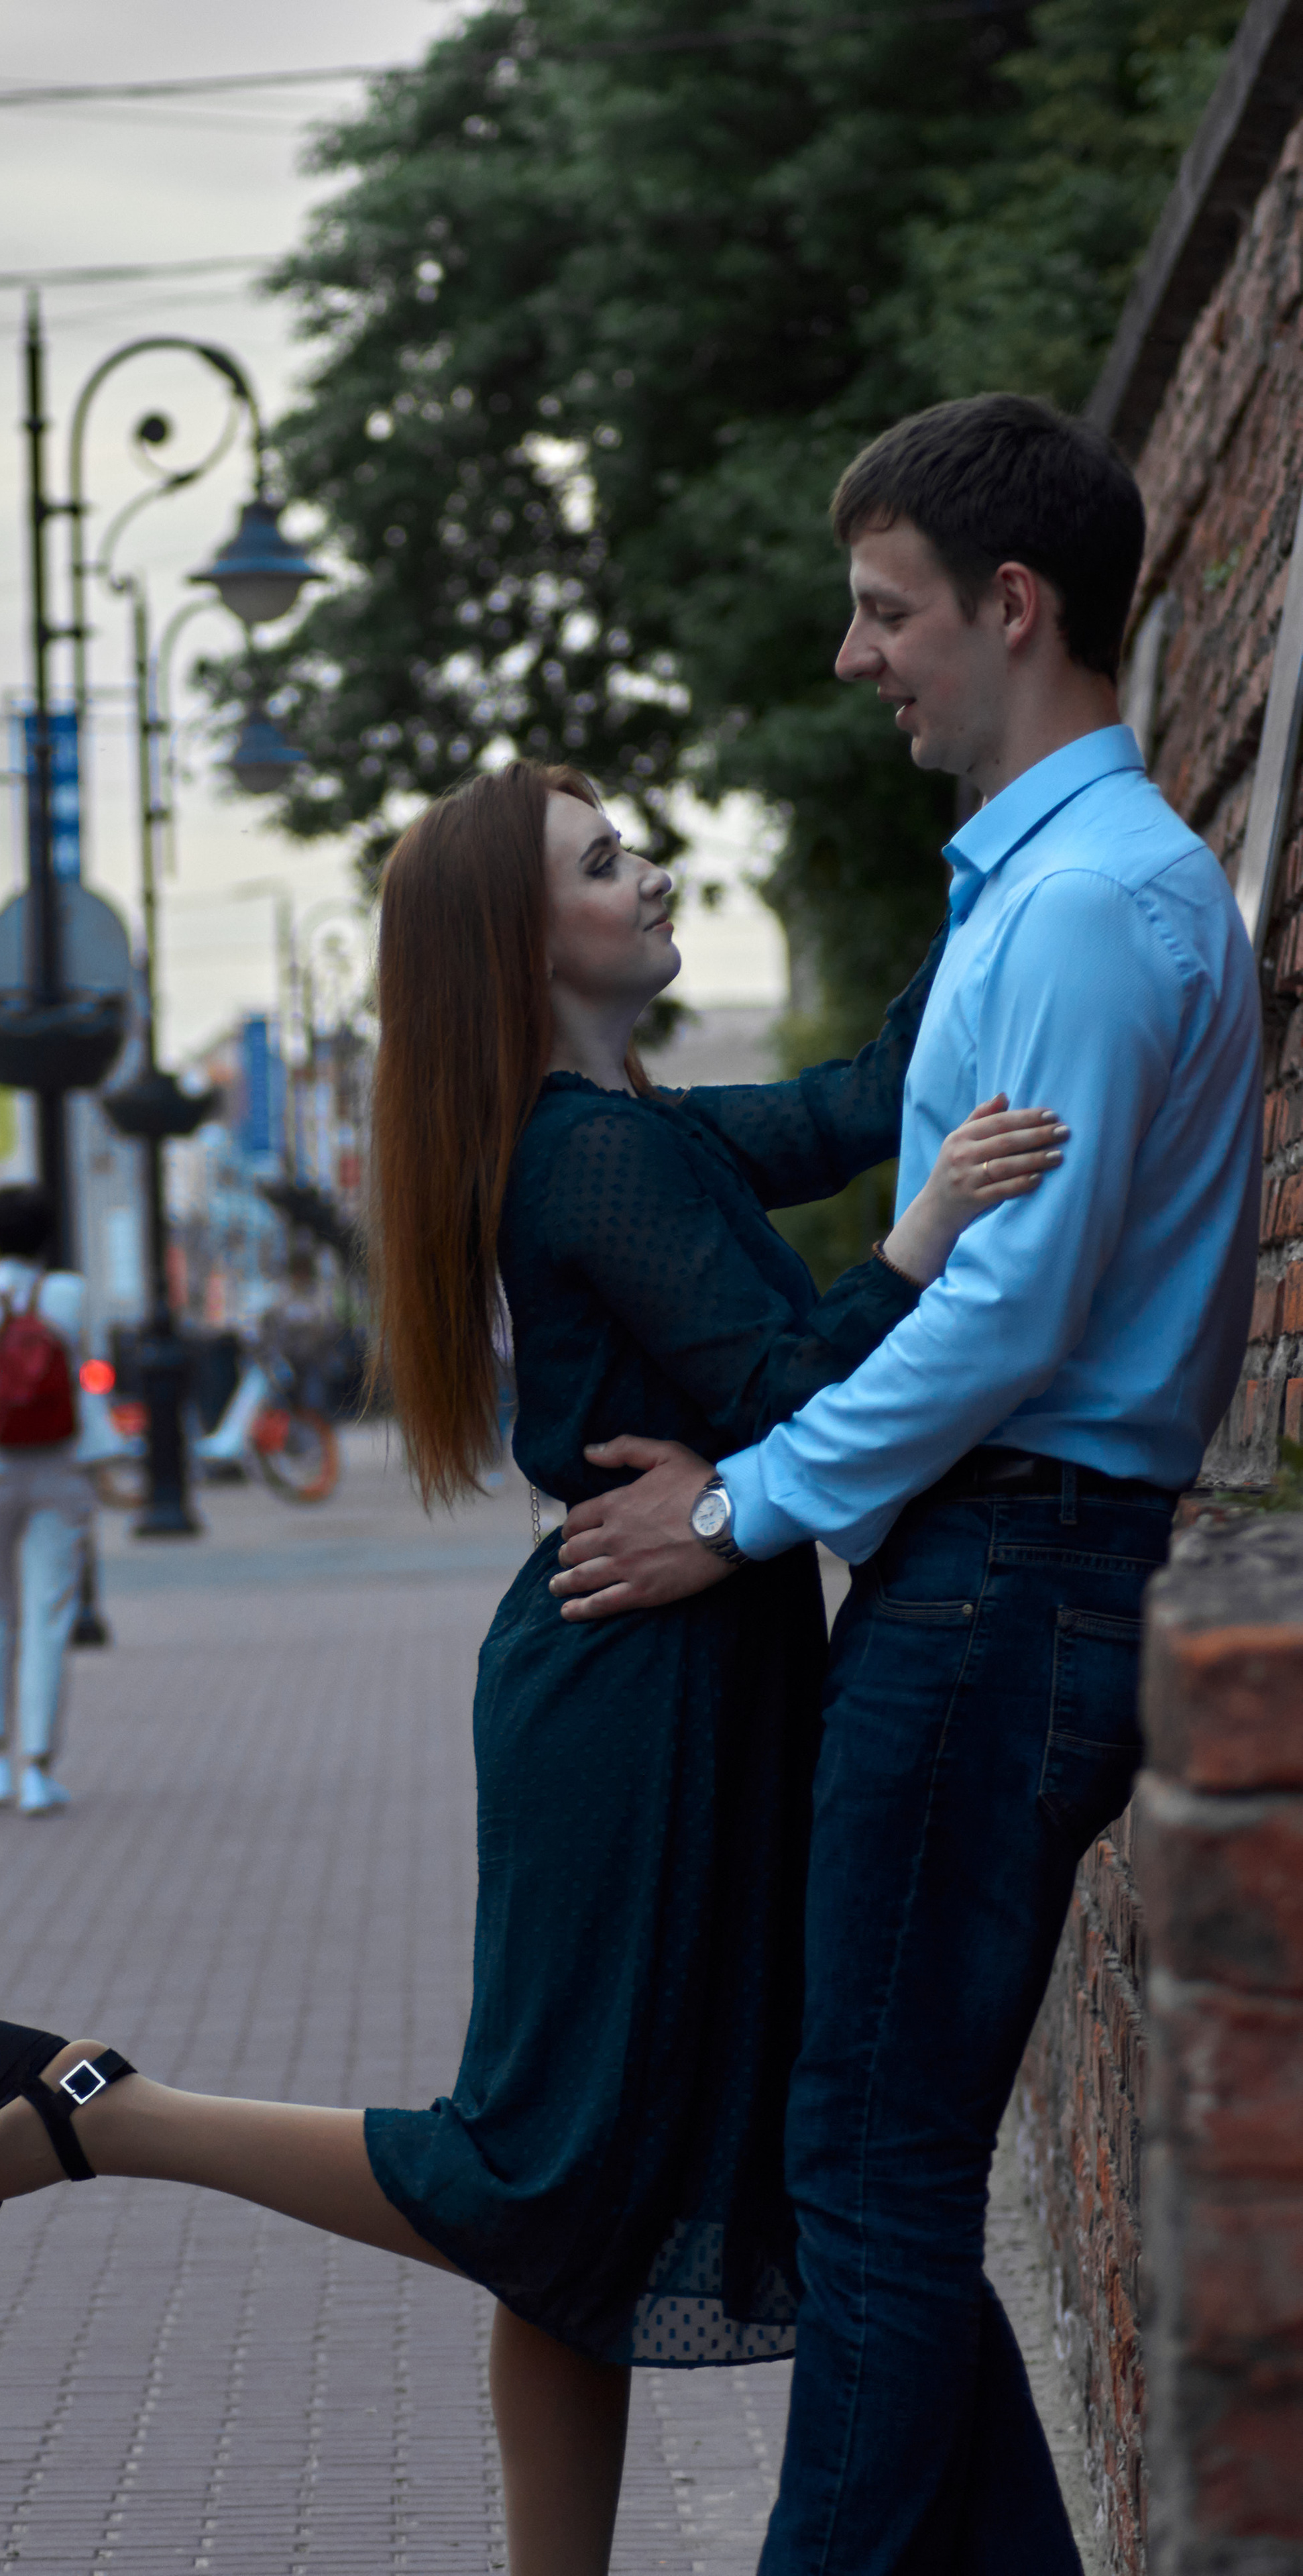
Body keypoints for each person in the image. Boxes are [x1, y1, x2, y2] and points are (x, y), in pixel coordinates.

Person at [0, 765, 1064, 2576]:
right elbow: (781, 1394)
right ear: (526, 943)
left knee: (595, 2193)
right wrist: (924, 1237)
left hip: (669, 1679)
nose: (650, 870)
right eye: (606, 861)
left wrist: (997, 876)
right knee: (549, 2172)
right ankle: (105, 2121)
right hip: (634, 1702)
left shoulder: (622, 1117)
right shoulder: (592, 1151)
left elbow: (841, 1109)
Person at [547, 394, 1264, 2573]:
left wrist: (737, 1504)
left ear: (1010, 608)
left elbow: (1007, 1320)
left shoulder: (1078, 914)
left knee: (862, 2169)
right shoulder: (1063, 893)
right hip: (1010, 1575)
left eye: (887, 612)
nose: (858, 657)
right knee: (878, 2166)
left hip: (1006, 1574)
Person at [0, 1182, 125, 1817]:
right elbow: (93, 1371)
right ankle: (39, 1769)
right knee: (51, 1616)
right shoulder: (69, 1296)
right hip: (62, 1464)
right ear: (47, 1235)